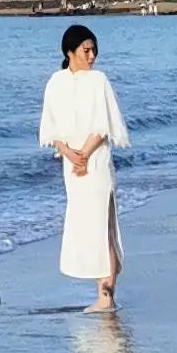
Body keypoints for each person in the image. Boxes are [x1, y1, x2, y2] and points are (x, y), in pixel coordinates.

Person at [39, 27, 130, 311]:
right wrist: (68, 153)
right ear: (70, 53)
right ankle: (102, 293)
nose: (91, 56)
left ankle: (106, 295)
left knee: (103, 226)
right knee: (87, 227)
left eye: (93, 50)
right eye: (85, 50)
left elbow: (104, 125)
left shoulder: (99, 80)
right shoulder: (56, 82)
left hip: (96, 163)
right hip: (71, 164)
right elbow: (50, 127)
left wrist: (85, 155)